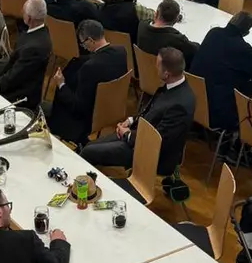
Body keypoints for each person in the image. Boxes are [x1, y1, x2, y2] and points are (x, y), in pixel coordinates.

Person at [81, 48, 195, 184]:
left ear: (166, 74)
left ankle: (87, 188)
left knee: (88, 152)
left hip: (150, 154)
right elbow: (151, 111)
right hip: (137, 136)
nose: (155, 67)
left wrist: (127, 135)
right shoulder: (171, 86)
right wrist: (130, 121)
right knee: (89, 146)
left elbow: (158, 141)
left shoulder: (180, 105)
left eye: (158, 65)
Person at [188, 11, 252, 134]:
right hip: (218, 112)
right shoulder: (243, 50)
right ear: (246, 33)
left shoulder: (213, 33)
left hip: (194, 100)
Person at [46, 19, 129, 144]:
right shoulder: (121, 51)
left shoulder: (89, 67)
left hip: (91, 116)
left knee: (61, 97)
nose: (83, 46)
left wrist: (61, 84)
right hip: (113, 106)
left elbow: (78, 107)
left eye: (83, 43)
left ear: (90, 40)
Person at [0, 0, 53, 105]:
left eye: (24, 12)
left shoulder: (34, 48)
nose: (22, 13)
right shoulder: (37, 32)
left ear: (29, 19)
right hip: (14, 82)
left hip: (20, 95)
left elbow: (14, 77)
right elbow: (12, 59)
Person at [136, 0, 196, 66]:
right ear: (176, 20)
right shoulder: (177, 40)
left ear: (155, 14)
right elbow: (194, 50)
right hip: (164, 75)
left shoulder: (142, 26)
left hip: (142, 70)